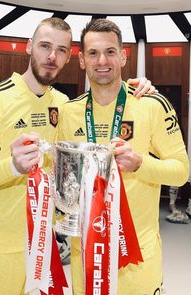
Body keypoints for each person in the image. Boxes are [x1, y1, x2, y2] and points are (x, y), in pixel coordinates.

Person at [0, 17, 158, 295]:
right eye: (44, 46)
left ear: (70, 58)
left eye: (62, 50)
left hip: (46, 249)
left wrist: (140, 87)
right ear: (29, 47)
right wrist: (13, 166)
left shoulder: (64, 105)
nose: (52, 56)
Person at [55, 18, 189, 294]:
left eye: (110, 52)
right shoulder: (69, 111)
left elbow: (181, 171)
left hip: (136, 255)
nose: (101, 60)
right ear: (81, 61)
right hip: (87, 253)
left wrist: (141, 164)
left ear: (123, 56)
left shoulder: (152, 104)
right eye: (93, 53)